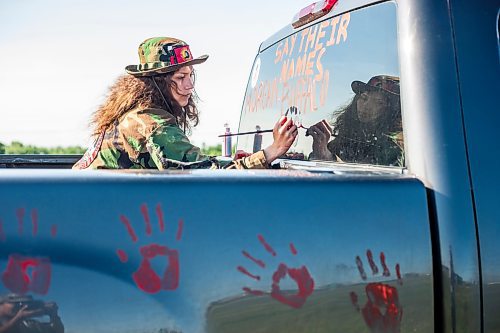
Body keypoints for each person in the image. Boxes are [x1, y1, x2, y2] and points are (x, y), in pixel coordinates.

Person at [73, 37, 297, 170]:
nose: (190, 85)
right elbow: (206, 175)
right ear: (157, 83)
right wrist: (272, 151)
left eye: (191, 75)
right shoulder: (152, 124)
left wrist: (240, 160)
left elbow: (188, 161)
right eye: (180, 78)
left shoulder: (138, 114)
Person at [307, 75, 403, 166]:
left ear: (391, 110)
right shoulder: (348, 138)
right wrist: (319, 150)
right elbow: (318, 161)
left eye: (378, 102)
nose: (367, 106)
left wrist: (328, 158)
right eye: (364, 98)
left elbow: (373, 181)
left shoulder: (393, 147)